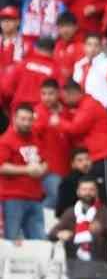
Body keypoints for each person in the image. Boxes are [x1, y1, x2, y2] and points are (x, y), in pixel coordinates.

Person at [52, 175, 107, 279]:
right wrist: (60, 234)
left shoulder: (105, 212)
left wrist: (102, 228)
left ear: (96, 192)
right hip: (76, 270)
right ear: (78, 192)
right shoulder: (70, 213)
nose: (87, 193)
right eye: (84, 189)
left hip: (99, 270)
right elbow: (52, 233)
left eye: (91, 189)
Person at [0, 103, 49, 241]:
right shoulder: (5, 140)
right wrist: (26, 170)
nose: (27, 123)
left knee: (39, 240)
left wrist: (42, 169)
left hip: (35, 197)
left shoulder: (36, 138)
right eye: (23, 119)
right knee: (12, 239)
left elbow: (45, 160)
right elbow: (1, 167)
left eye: (29, 119)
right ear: (14, 118)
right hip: (13, 197)